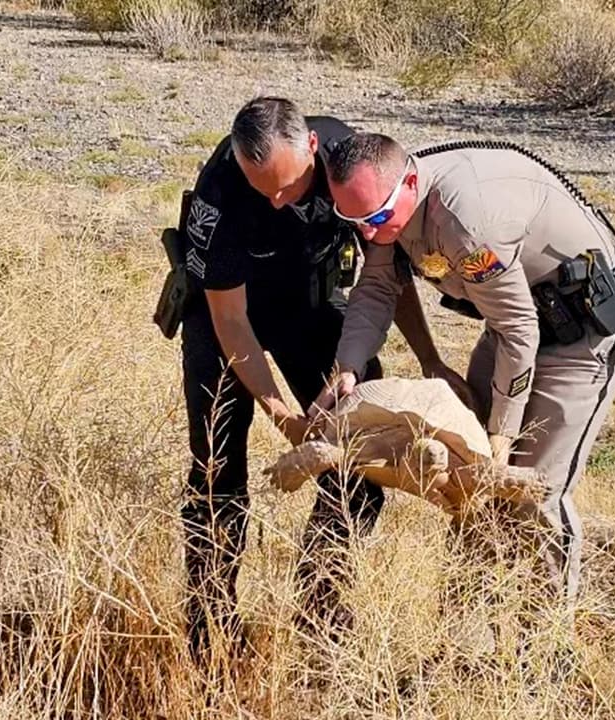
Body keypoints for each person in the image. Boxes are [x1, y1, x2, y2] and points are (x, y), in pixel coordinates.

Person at [309, 133, 615, 608]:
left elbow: (520, 334)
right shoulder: (386, 208)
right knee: (472, 485)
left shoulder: (467, 223)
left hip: (582, 336)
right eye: (354, 220)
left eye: (376, 218)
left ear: (410, 181)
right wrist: (349, 365)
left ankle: (544, 650)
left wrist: (502, 435)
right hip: (517, 325)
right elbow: (375, 289)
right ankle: (468, 640)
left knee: (532, 491)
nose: (369, 232)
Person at [170, 98, 443, 660]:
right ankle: (211, 630)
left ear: (313, 150)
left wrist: (431, 359)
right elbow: (231, 322)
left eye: (288, 188)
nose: (275, 200)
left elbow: (387, 269)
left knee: (360, 461)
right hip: (225, 317)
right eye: (261, 188)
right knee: (218, 475)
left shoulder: (351, 167)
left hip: (310, 306)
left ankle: (320, 614)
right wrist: (285, 417)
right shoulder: (221, 194)